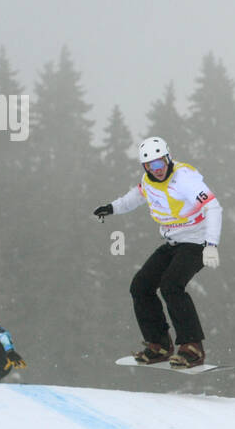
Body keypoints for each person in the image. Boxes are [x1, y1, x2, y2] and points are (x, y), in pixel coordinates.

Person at [93, 136, 221, 369]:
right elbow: (136, 197)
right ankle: (159, 344)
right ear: (145, 167)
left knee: (171, 285)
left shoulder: (185, 179)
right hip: (173, 241)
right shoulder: (149, 181)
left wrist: (211, 244)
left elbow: (213, 206)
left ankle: (192, 348)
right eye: (150, 166)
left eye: (160, 163)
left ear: (168, 157)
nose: (157, 169)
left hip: (196, 241)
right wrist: (112, 208)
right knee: (140, 286)